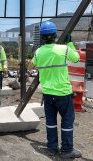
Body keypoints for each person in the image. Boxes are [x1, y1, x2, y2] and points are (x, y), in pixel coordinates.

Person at [32, 21, 81, 159]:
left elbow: (34, 64)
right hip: (63, 93)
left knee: (51, 122)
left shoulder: (38, 52)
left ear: (42, 37)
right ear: (55, 35)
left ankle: (52, 148)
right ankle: (66, 150)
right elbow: (76, 58)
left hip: (48, 94)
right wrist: (69, 43)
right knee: (67, 121)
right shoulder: (63, 49)